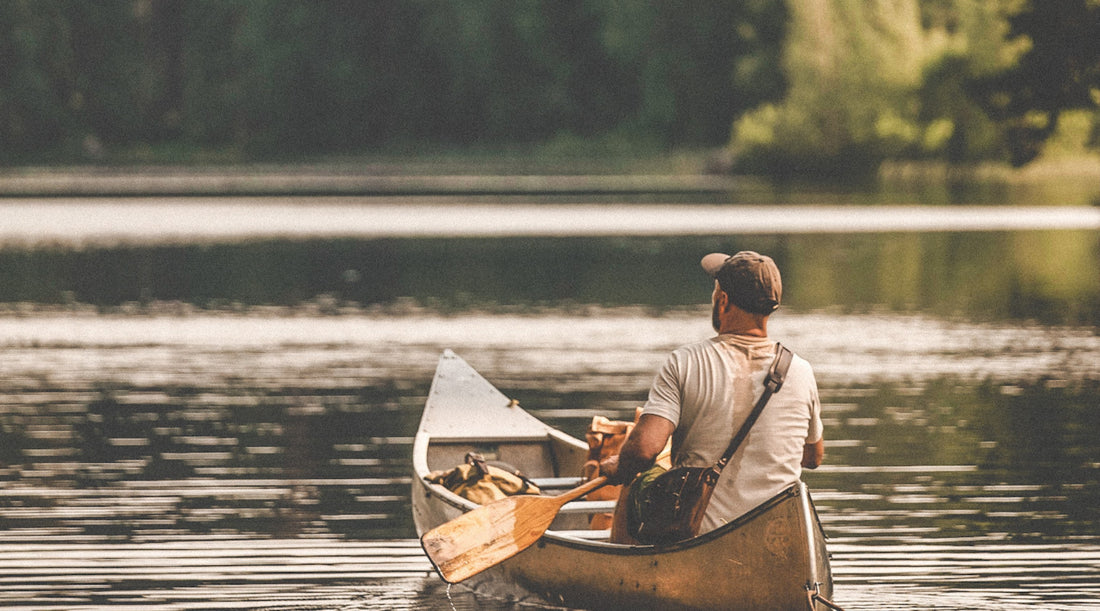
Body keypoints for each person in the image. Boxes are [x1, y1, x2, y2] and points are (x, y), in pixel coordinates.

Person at [600, 251, 824, 537]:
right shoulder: (800, 370)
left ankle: (624, 570)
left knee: (639, 478)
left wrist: (621, 466)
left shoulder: (685, 362)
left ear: (723, 300)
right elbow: (813, 457)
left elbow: (644, 450)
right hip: (775, 537)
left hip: (701, 535)